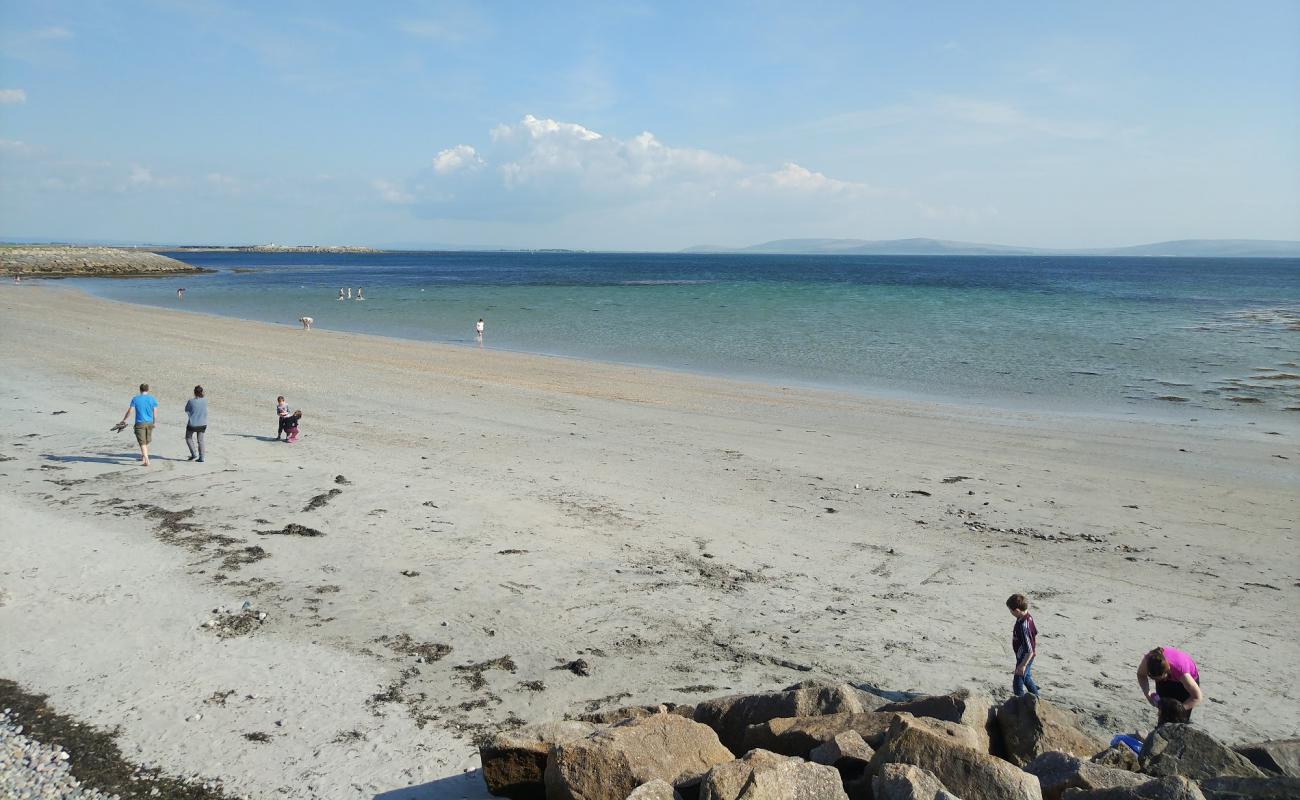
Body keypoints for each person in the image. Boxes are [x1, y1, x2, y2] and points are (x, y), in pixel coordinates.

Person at [1138, 646, 1202, 720]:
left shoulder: (1181, 671)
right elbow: (1141, 675)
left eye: (1162, 678)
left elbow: (1197, 697)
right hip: (1167, 678)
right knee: (1164, 713)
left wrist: (1177, 711)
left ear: (1167, 671)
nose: (1162, 680)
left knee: (1179, 718)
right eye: (1155, 679)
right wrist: (1148, 695)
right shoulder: (1148, 662)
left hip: (1184, 685)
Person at [1007, 593, 1040, 697]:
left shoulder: (1024, 626)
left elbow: (1030, 650)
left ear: (1017, 611)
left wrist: (1023, 665)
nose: (1010, 613)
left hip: (1025, 657)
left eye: (1011, 611)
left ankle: (1020, 702)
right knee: (1027, 677)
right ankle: (1036, 698)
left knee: (1018, 682)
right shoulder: (1024, 616)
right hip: (1022, 655)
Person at [119, 383, 159, 466]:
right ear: (148, 390)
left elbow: (130, 410)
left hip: (140, 423)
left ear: (140, 389)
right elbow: (155, 412)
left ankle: (146, 461)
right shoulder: (152, 399)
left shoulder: (136, 399)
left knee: (142, 443)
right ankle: (144, 457)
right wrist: (154, 422)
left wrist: (125, 420)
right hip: (149, 423)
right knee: (146, 441)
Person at [184, 385, 207, 462]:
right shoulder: (205, 400)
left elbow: (186, 410)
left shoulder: (191, 401)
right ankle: (202, 457)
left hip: (193, 423)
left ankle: (194, 453)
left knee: (188, 437)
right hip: (203, 424)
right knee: (201, 440)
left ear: (194, 392)